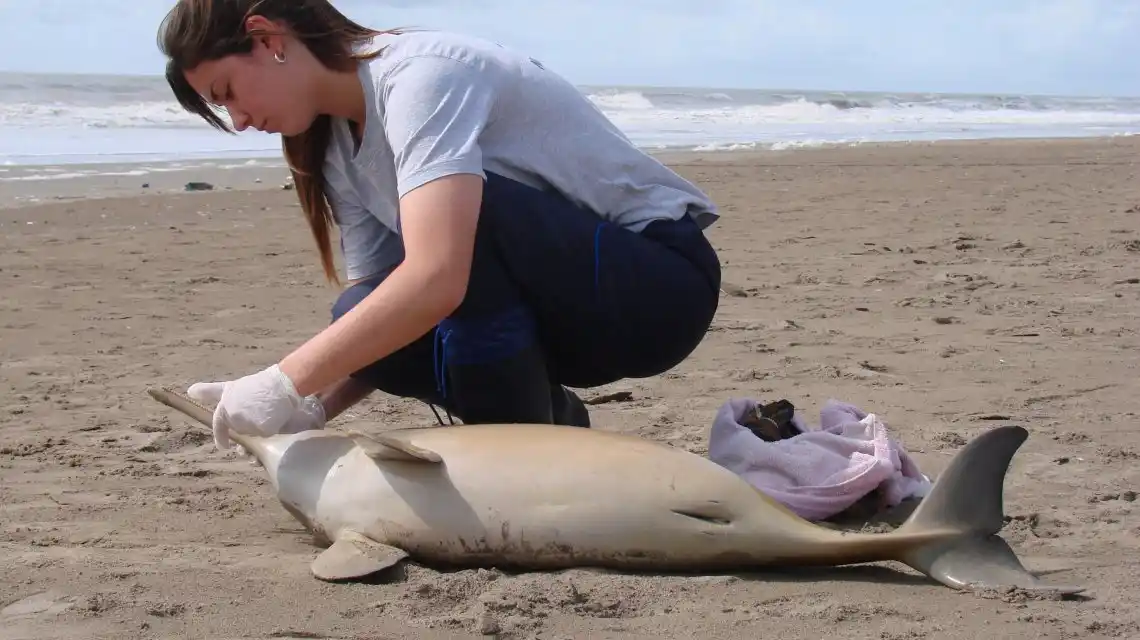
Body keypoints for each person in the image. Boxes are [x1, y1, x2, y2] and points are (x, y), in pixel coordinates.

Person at [158, 0, 724, 450]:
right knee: (356, 316)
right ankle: (544, 421)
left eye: (227, 93)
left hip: (657, 288)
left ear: (268, 39)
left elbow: (438, 278)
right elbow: (391, 312)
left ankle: (520, 451)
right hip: (565, 318)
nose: (239, 120)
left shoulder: (421, 76)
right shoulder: (330, 144)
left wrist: (282, 380)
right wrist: (311, 408)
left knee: (463, 229)